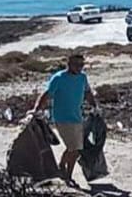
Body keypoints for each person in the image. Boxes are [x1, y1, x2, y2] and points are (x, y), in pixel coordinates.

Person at [33, 52, 96, 185]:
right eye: (76, 64)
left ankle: (64, 169)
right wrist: (37, 109)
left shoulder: (82, 78)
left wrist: (95, 106)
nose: (79, 67)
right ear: (69, 64)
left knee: (76, 148)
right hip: (62, 118)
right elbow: (47, 95)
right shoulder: (59, 78)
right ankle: (66, 173)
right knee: (73, 147)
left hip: (77, 117)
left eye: (81, 65)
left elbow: (87, 92)